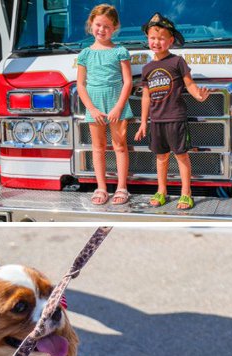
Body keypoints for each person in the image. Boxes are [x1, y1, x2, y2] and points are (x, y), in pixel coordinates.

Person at [135, 13, 209, 210]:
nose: (156, 42)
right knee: (161, 157)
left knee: (181, 155)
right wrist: (144, 122)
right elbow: (146, 96)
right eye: (152, 38)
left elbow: (190, 84)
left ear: (170, 41)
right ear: (147, 39)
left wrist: (199, 96)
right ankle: (162, 191)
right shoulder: (147, 68)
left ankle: (186, 193)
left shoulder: (177, 62)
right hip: (156, 120)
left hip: (175, 118)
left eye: (161, 38)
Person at [75, 5, 132, 206]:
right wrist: (91, 109)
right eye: (98, 25)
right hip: (95, 106)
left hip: (117, 104)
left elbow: (127, 81)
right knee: (98, 147)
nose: (102, 29)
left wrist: (118, 107)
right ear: (91, 25)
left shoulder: (120, 51)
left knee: (120, 146)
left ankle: (122, 187)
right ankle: (101, 187)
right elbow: (80, 85)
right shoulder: (85, 54)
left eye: (107, 26)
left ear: (115, 27)